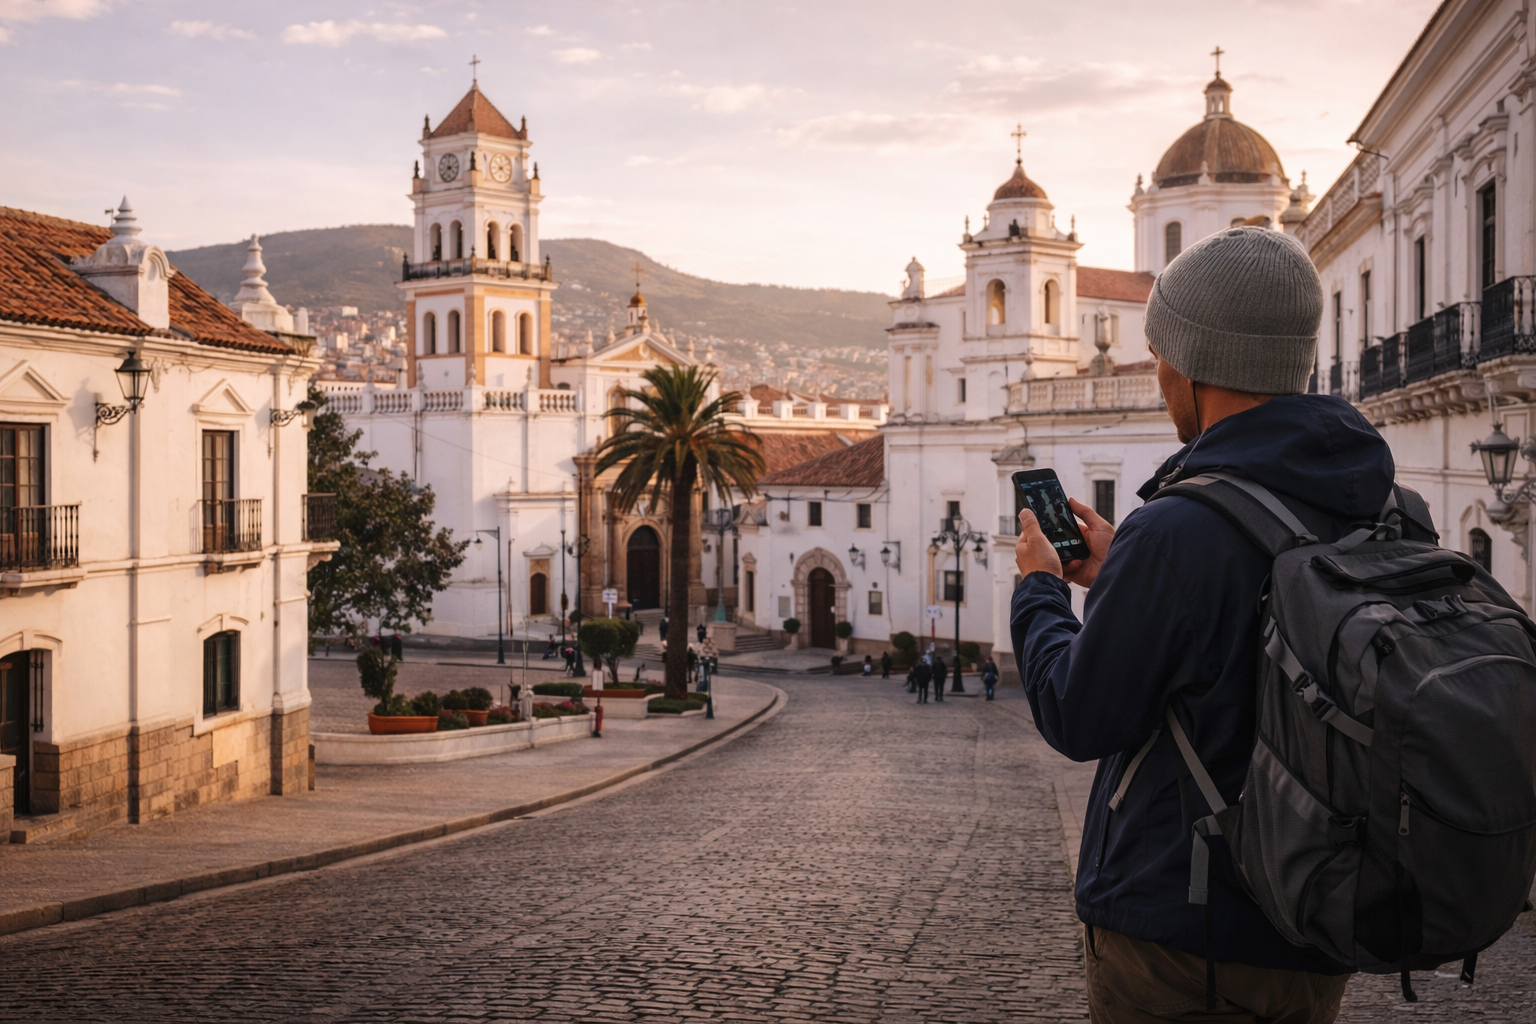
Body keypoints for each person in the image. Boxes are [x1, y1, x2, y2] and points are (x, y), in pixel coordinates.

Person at [1011, 228, 1355, 1021]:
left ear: (1196, 363)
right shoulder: (1374, 501)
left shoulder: (1178, 530)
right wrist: (1123, 572)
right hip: (1314, 924)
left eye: (1161, 351)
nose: (1158, 371)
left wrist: (1040, 588)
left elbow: (1075, 713)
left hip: (1186, 934)